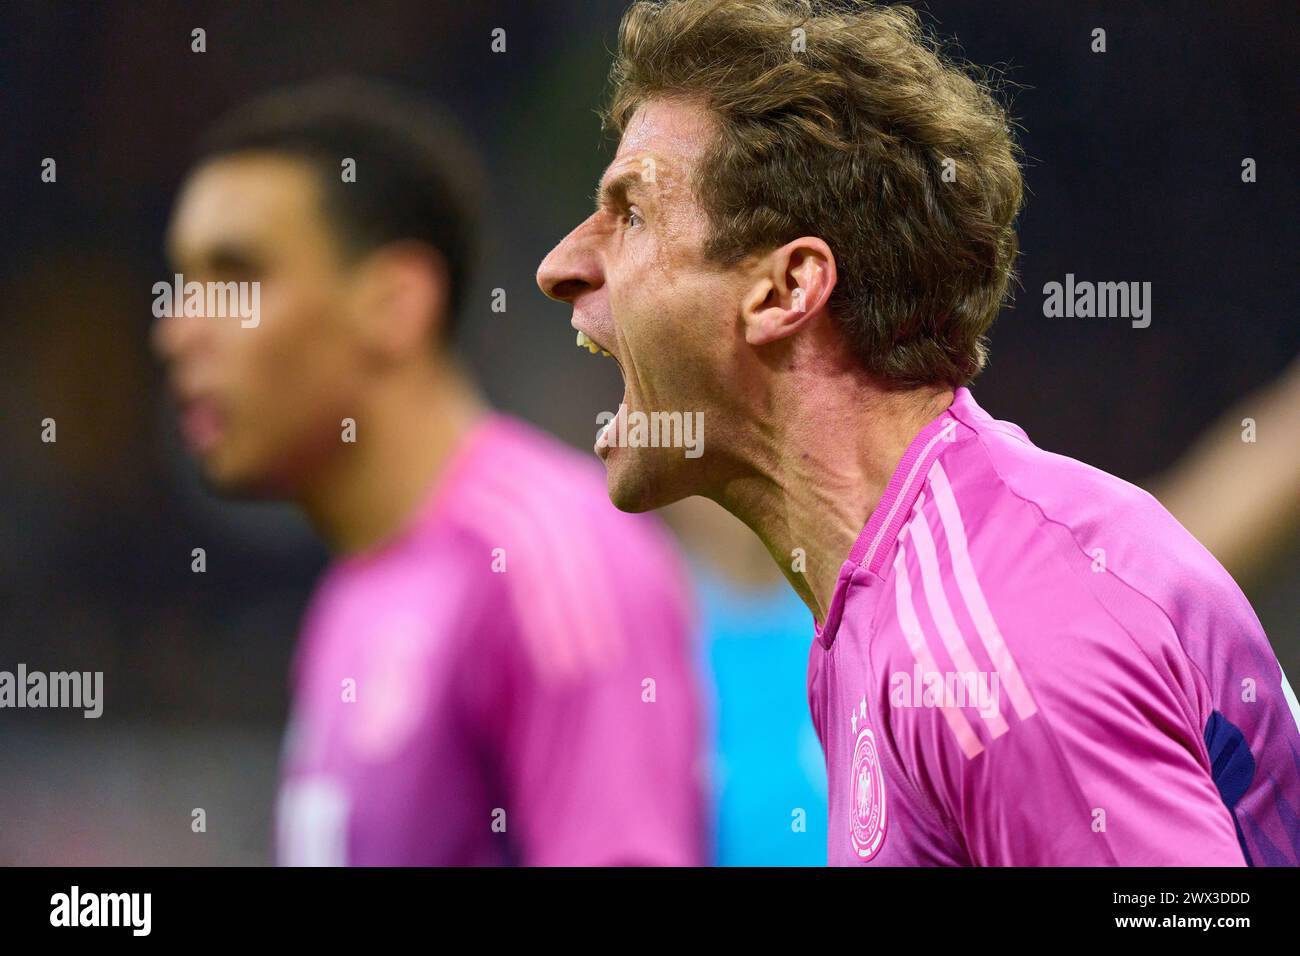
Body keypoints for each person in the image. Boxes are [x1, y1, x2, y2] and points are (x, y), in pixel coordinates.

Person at [536, 0, 1300, 865]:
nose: (560, 265)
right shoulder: (889, 601)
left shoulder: (983, 644)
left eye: (630, 213)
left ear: (786, 291)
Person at [153, 77, 704, 866]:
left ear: (395, 303)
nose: (177, 333)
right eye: (180, 284)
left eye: (234, 278)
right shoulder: (357, 589)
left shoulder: (550, 559)